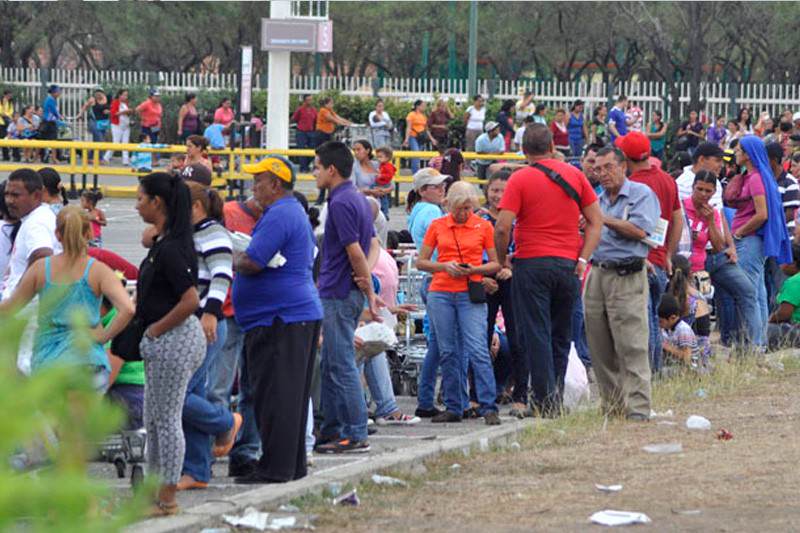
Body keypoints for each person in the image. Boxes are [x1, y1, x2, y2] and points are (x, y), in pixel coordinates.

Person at [495, 123, 602, 416]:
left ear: (523, 150)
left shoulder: (520, 179)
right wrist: (582, 259)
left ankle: (544, 401)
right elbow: (596, 221)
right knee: (560, 334)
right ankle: (554, 396)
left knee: (536, 333)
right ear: (553, 146)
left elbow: (503, 226)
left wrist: (503, 258)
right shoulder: (575, 175)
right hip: (568, 265)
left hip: (531, 262)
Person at [231, 156, 322, 482]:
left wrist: (236, 257)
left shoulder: (280, 214)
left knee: (277, 395)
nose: (254, 186)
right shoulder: (289, 212)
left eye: (260, 180)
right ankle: (290, 464)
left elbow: (254, 261)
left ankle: (276, 467)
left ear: (276, 184)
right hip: (290, 315)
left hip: (280, 317)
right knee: (288, 395)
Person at [133, 172, 206, 515]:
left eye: (140, 199)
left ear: (157, 202)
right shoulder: (165, 243)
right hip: (164, 339)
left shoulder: (173, 248)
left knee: (167, 419)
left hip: (174, 338)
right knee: (155, 416)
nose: (137, 205)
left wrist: (156, 330)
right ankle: (154, 490)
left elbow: (190, 299)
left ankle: (168, 496)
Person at [0, 206, 133, 389]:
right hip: (88, 359)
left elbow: (9, 308)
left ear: (57, 234)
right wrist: (103, 336)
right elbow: (128, 309)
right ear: (89, 233)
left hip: (49, 359)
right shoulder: (98, 270)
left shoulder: (40, 268)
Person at [583, 145, 660, 420]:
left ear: (623, 166)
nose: (602, 174)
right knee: (599, 345)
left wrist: (601, 219)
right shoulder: (597, 199)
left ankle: (638, 407)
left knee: (631, 344)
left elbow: (640, 230)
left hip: (627, 275)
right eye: (597, 169)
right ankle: (612, 406)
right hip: (597, 272)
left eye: (608, 167)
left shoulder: (640, 195)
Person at [313, 141, 381, 454]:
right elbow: (369, 245)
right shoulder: (357, 198)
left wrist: (368, 291)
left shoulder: (340, 203)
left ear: (332, 169)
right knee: (330, 364)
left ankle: (354, 432)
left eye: (316, 167)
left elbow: (355, 251)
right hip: (343, 291)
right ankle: (332, 429)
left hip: (338, 292)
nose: (313, 173)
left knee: (340, 364)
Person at [417, 181, 501, 424]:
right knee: (447, 351)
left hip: (469, 290)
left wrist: (474, 269)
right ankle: (455, 405)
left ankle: (488, 406)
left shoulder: (483, 226)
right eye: (460, 209)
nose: (464, 214)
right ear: (450, 206)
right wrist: (444, 266)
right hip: (441, 290)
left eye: (468, 208)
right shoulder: (437, 225)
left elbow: (496, 263)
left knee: (477, 348)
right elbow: (422, 261)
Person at [176, 182, 240, 491]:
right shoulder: (190, 232)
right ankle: (197, 470)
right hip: (191, 324)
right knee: (194, 394)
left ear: (196, 208)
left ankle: (226, 422)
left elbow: (222, 274)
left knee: (179, 395)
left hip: (206, 324)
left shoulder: (213, 232)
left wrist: (211, 313)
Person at [616, 131, 683, 373]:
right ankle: (653, 375)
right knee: (653, 322)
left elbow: (630, 227)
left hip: (640, 262)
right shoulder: (667, 179)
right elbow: (678, 220)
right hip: (659, 261)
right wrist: (667, 254)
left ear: (625, 157)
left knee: (640, 324)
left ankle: (645, 377)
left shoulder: (633, 186)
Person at [725, 136, 793, 347]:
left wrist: (739, 233)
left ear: (747, 154)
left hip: (750, 241)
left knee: (749, 293)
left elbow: (761, 214)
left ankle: (755, 345)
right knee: (758, 292)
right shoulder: (757, 176)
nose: (735, 154)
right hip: (754, 240)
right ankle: (760, 342)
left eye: (738, 151)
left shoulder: (755, 178)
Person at [213, 195, 263, 478]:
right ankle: (215, 443)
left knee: (252, 388)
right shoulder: (229, 212)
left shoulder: (274, 217)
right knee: (218, 387)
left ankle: (245, 450)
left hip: (254, 312)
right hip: (227, 310)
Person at [683, 170, 760, 346]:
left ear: (714, 192)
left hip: (709, 262)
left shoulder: (713, 213)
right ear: (692, 187)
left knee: (747, 290)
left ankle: (752, 347)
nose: (703, 194)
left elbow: (718, 246)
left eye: (708, 191)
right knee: (697, 306)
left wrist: (710, 221)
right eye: (699, 189)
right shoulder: (682, 208)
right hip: (687, 267)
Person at [479, 170, 527, 417]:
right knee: (481, 339)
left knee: (518, 339)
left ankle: (520, 394)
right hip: (484, 281)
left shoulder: (522, 219)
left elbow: (528, 250)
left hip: (513, 281)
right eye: (494, 190)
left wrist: (511, 269)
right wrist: (485, 275)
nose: (498, 195)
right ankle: (479, 396)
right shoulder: (479, 218)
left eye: (504, 190)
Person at [406, 168, 447, 418]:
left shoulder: (418, 211)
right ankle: (429, 395)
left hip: (429, 277)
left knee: (438, 342)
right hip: (438, 277)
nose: (442, 189)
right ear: (423, 190)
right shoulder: (431, 212)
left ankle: (428, 395)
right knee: (441, 343)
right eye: (436, 186)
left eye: (443, 185)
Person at [1, 169, 61, 301]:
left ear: (37, 196)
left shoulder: (36, 223)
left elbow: (42, 255)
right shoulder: (38, 216)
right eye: (7, 194)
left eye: (16, 195)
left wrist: (18, 296)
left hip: (24, 313)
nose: (9, 201)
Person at [666, 255, 712, 368]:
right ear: (690, 273)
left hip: (687, 355)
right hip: (703, 355)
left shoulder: (670, 296)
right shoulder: (698, 296)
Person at [314, 97, 352, 204]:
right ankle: (321, 197)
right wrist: (343, 123)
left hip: (328, 134)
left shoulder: (330, 111)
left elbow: (337, 117)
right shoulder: (323, 111)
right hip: (322, 134)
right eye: (331, 103)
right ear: (326, 104)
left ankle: (324, 196)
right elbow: (333, 119)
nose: (332, 105)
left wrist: (348, 122)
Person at [767, 243, 800, 350]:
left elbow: (784, 314)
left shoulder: (794, 282)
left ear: (793, 263)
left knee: (764, 330)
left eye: (782, 261)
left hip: (796, 329)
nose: (780, 265)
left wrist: (769, 320)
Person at [676, 142, 726, 207]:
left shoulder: (716, 182)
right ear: (701, 159)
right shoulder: (682, 184)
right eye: (718, 161)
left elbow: (720, 212)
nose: (721, 165)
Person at [658, 294, 699, 369]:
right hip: (675, 366)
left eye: (660, 321)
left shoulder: (683, 330)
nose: (659, 324)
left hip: (688, 369)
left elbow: (686, 358)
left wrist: (666, 347)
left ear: (672, 318)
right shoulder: (669, 329)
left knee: (658, 372)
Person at [404, 99, 437, 175]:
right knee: (416, 154)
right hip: (413, 136)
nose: (424, 107)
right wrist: (406, 139)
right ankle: (415, 173)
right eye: (423, 106)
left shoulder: (423, 116)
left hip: (421, 138)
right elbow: (408, 127)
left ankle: (416, 171)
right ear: (417, 106)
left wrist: (432, 139)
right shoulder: (411, 115)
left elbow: (426, 129)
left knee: (418, 156)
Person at [106, 89, 133, 165]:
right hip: (117, 125)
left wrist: (129, 113)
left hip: (126, 125)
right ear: (119, 95)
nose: (125, 97)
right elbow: (113, 113)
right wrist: (124, 112)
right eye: (124, 95)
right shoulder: (115, 102)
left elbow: (126, 114)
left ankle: (125, 160)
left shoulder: (125, 103)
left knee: (125, 143)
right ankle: (106, 157)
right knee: (116, 143)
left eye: (126, 95)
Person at [292, 95, 318, 171]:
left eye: (311, 100)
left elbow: (316, 120)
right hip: (301, 132)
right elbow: (294, 118)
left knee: (312, 149)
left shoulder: (314, 110)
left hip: (311, 132)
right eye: (308, 100)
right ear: (304, 101)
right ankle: (303, 168)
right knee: (301, 149)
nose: (310, 101)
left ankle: (306, 164)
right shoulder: (300, 109)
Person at [40, 85, 62, 163]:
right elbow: (54, 112)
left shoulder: (50, 99)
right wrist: (60, 117)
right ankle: (54, 158)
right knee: (53, 141)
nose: (60, 93)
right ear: (54, 92)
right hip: (49, 123)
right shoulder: (51, 100)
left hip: (48, 122)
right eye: (58, 91)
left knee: (45, 140)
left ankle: (47, 157)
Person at [374, 146, 395, 219]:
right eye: (377, 157)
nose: (378, 159)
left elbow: (389, 175)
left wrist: (381, 176)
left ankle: (385, 212)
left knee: (383, 198)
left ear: (387, 158)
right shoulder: (382, 165)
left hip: (384, 184)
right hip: (380, 183)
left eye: (380, 157)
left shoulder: (388, 166)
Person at [0, 90, 13, 161]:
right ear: (5, 94)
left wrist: (7, 115)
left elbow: (11, 111)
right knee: (2, 138)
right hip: (1, 122)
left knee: (4, 138)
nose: (10, 96)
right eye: (9, 94)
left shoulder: (10, 102)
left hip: (6, 122)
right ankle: (5, 155)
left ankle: (6, 156)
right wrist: (7, 115)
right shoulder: (1, 101)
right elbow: (1, 112)